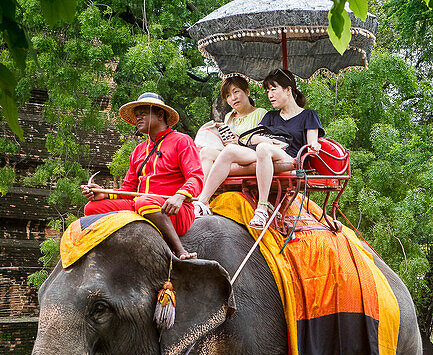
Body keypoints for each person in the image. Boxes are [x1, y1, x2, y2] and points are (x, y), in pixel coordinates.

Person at [80, 92, 202, 260]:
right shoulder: (138, 151)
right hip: (142, 207)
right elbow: (128, 189)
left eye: (143, 114)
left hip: (174, 210)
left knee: (144, 201)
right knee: (92, 208)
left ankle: (180, 251)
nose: (138, 118)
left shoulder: (182, 141)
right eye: (136, 115)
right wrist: (104, 193)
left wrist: (179, 197)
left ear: (160, 115)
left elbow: (195, 177)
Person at [199, 68, 324, 228]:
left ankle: (262, 208)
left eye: (273, 89)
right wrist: (267, 140)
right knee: (230, 151)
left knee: (263, 148)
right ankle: (202, 202)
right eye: (267, 91)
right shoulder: (271, 116)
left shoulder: (308, 115)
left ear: (288, 90)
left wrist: (314, 147)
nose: (270, 95)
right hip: (265, 150)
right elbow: (254, 136)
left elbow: (311, 143)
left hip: (289, 155)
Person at [194, 77, 266, 215]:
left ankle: (202, 199)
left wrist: (238, 141)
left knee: (229, 150)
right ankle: (201, 198)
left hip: (251, 153)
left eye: (236, 92)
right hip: (230, 153)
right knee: (205, 152)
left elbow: (263, 140)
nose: (233, 98)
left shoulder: (260, 113)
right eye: (228, 95)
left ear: (247, 91)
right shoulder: (229, 117)